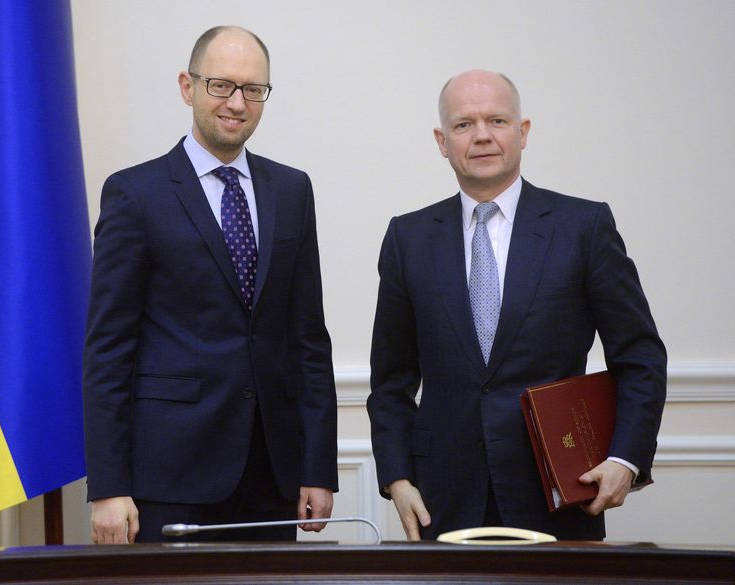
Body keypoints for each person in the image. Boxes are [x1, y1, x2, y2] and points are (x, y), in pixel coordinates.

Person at [367, 69, 666, 541]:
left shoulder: (582, 227)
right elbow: (390, 380)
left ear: (523, 133)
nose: (482, 135)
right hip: (441, 501)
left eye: (497, 121)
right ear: (442, 141)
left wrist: (626, 458)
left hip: (558, 493)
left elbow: (640, 356)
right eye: (464, 125)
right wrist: (397, 478)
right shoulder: (408, 238)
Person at [83, 26, 337, 544]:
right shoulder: (135, 195)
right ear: (187, 86)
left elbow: (308, 339)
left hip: (273, 473)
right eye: (221, 85)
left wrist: (318, 466)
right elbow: (107, 350)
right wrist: (108, 487)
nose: (237, 103)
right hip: (169, 476)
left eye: (253, 89)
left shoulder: (292, 190)